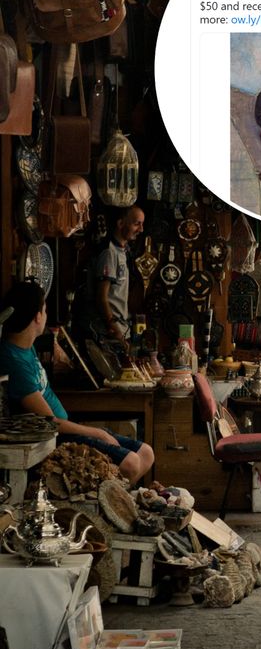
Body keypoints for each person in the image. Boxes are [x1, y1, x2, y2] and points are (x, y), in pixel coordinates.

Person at [0, 282, 155, 483]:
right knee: (131, 463)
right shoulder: (14, 361)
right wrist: (97, 432)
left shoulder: (25, 346)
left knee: (146, 453)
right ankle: (104, 500)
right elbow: (49, 423)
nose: (45, 316)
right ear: (37, 317)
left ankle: (110, 498)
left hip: (67, 428)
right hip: (55, 438)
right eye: (45, 310)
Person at [90, 205, 145, 356]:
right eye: (136, 224)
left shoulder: (123, 251)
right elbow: (101, 297)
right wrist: (115, 330)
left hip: (121, 330)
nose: (141, 229)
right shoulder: (109, 253)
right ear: (121, 224)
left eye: (142, 224)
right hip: (109, 335)